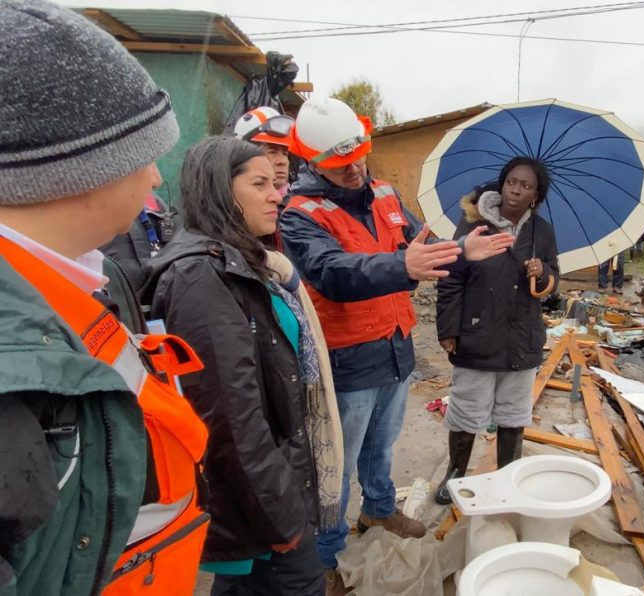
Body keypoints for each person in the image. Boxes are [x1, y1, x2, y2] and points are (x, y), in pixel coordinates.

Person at [0, 2, 209, 594]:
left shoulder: (86, 279)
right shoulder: (11, 355)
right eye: (145, 158)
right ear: (76, 171)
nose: (157, 179)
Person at [279, 97, 514, 585]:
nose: (355, 170)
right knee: (335, 466)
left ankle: (379, 510)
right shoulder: (299, 214)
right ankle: (325, 555)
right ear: (313, 162)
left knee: (382, 447)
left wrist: (462, 251)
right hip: (345, 359)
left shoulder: (384, 192)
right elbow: (330, 273)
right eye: (341, 165)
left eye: (359, 156)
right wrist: (401, 265)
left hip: (394, 346)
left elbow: (419, 248)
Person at [142, 137, 341, 596]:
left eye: (277, 183)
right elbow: (229, 420)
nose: (278, 194)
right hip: (264, 511)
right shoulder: (200, 277)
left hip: (268, 494)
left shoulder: (246, 261)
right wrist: (285, 518)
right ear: (220, 192)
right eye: (260, 184)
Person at [434, 157, 559, 505]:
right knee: (466, 409)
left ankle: (508, 476)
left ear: (536, 194)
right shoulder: (475, 224)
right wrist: (448, 328)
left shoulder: (542, 232)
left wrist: (543, 271)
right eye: (512, 182)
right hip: (477, 330)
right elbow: (451, 276)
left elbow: (553, 280)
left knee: (513, 411)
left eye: (526, 186)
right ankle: (456, 472)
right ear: (502, 184)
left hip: (522, 335)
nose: (516, 190)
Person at [233, 106, 294, 200]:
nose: (283, 161)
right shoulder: (226, 204)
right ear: (244, 156)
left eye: (285, 153)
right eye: (272, 152)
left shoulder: (300, 208)